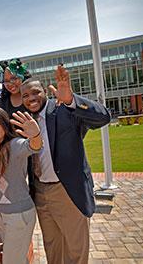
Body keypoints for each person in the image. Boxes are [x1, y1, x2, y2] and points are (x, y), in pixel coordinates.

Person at [20, 65, 111, 263]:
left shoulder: (64, 109)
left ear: (45, 91)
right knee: (53, 251)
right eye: (25, 95)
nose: (31, 98)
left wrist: (71, 99)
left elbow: (103, 117)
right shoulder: (25, 121)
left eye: (35, 92)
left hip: (67, 191)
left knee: (75, 251)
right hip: (41, 193)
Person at [0, 106, 42, 264]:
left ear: (5, 124)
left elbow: (34, 146)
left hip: (19, 215)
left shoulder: (15, 145)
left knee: (10, 261)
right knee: (17, 259)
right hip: (2, 214)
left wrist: (35, 135)